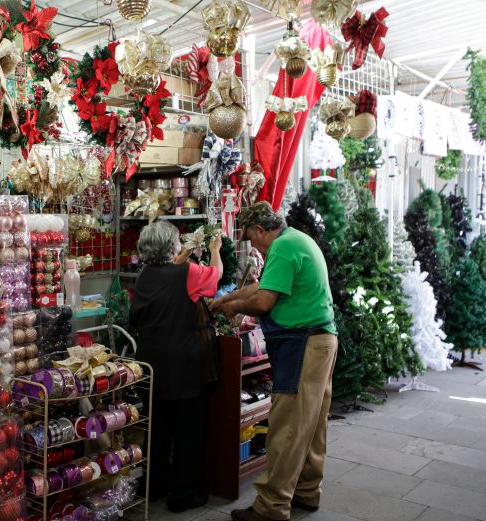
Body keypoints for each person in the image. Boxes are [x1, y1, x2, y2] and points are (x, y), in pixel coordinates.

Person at [210, 202, 337, 521]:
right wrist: (226, 299)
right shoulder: (296, 239)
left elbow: (264, 301)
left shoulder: (282, 246)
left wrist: (234, 308)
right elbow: (263, 286)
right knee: (312, 425)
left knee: (288, 426)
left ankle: (271, 506)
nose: (254, 246)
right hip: (321, 341)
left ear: (259, 230)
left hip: (304, 344)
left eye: (252, 239)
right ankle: (306, 492)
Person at [129, 220, 222, 513]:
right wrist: (215, 249)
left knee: (157, 426)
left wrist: (183, 257)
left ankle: (153, 485)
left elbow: (169, 275)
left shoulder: (144, 275)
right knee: (188, 429)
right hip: (184, 363)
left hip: (151, 362)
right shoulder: (188, 273)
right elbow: (215, 277)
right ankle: (185, 493)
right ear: (172, 247)